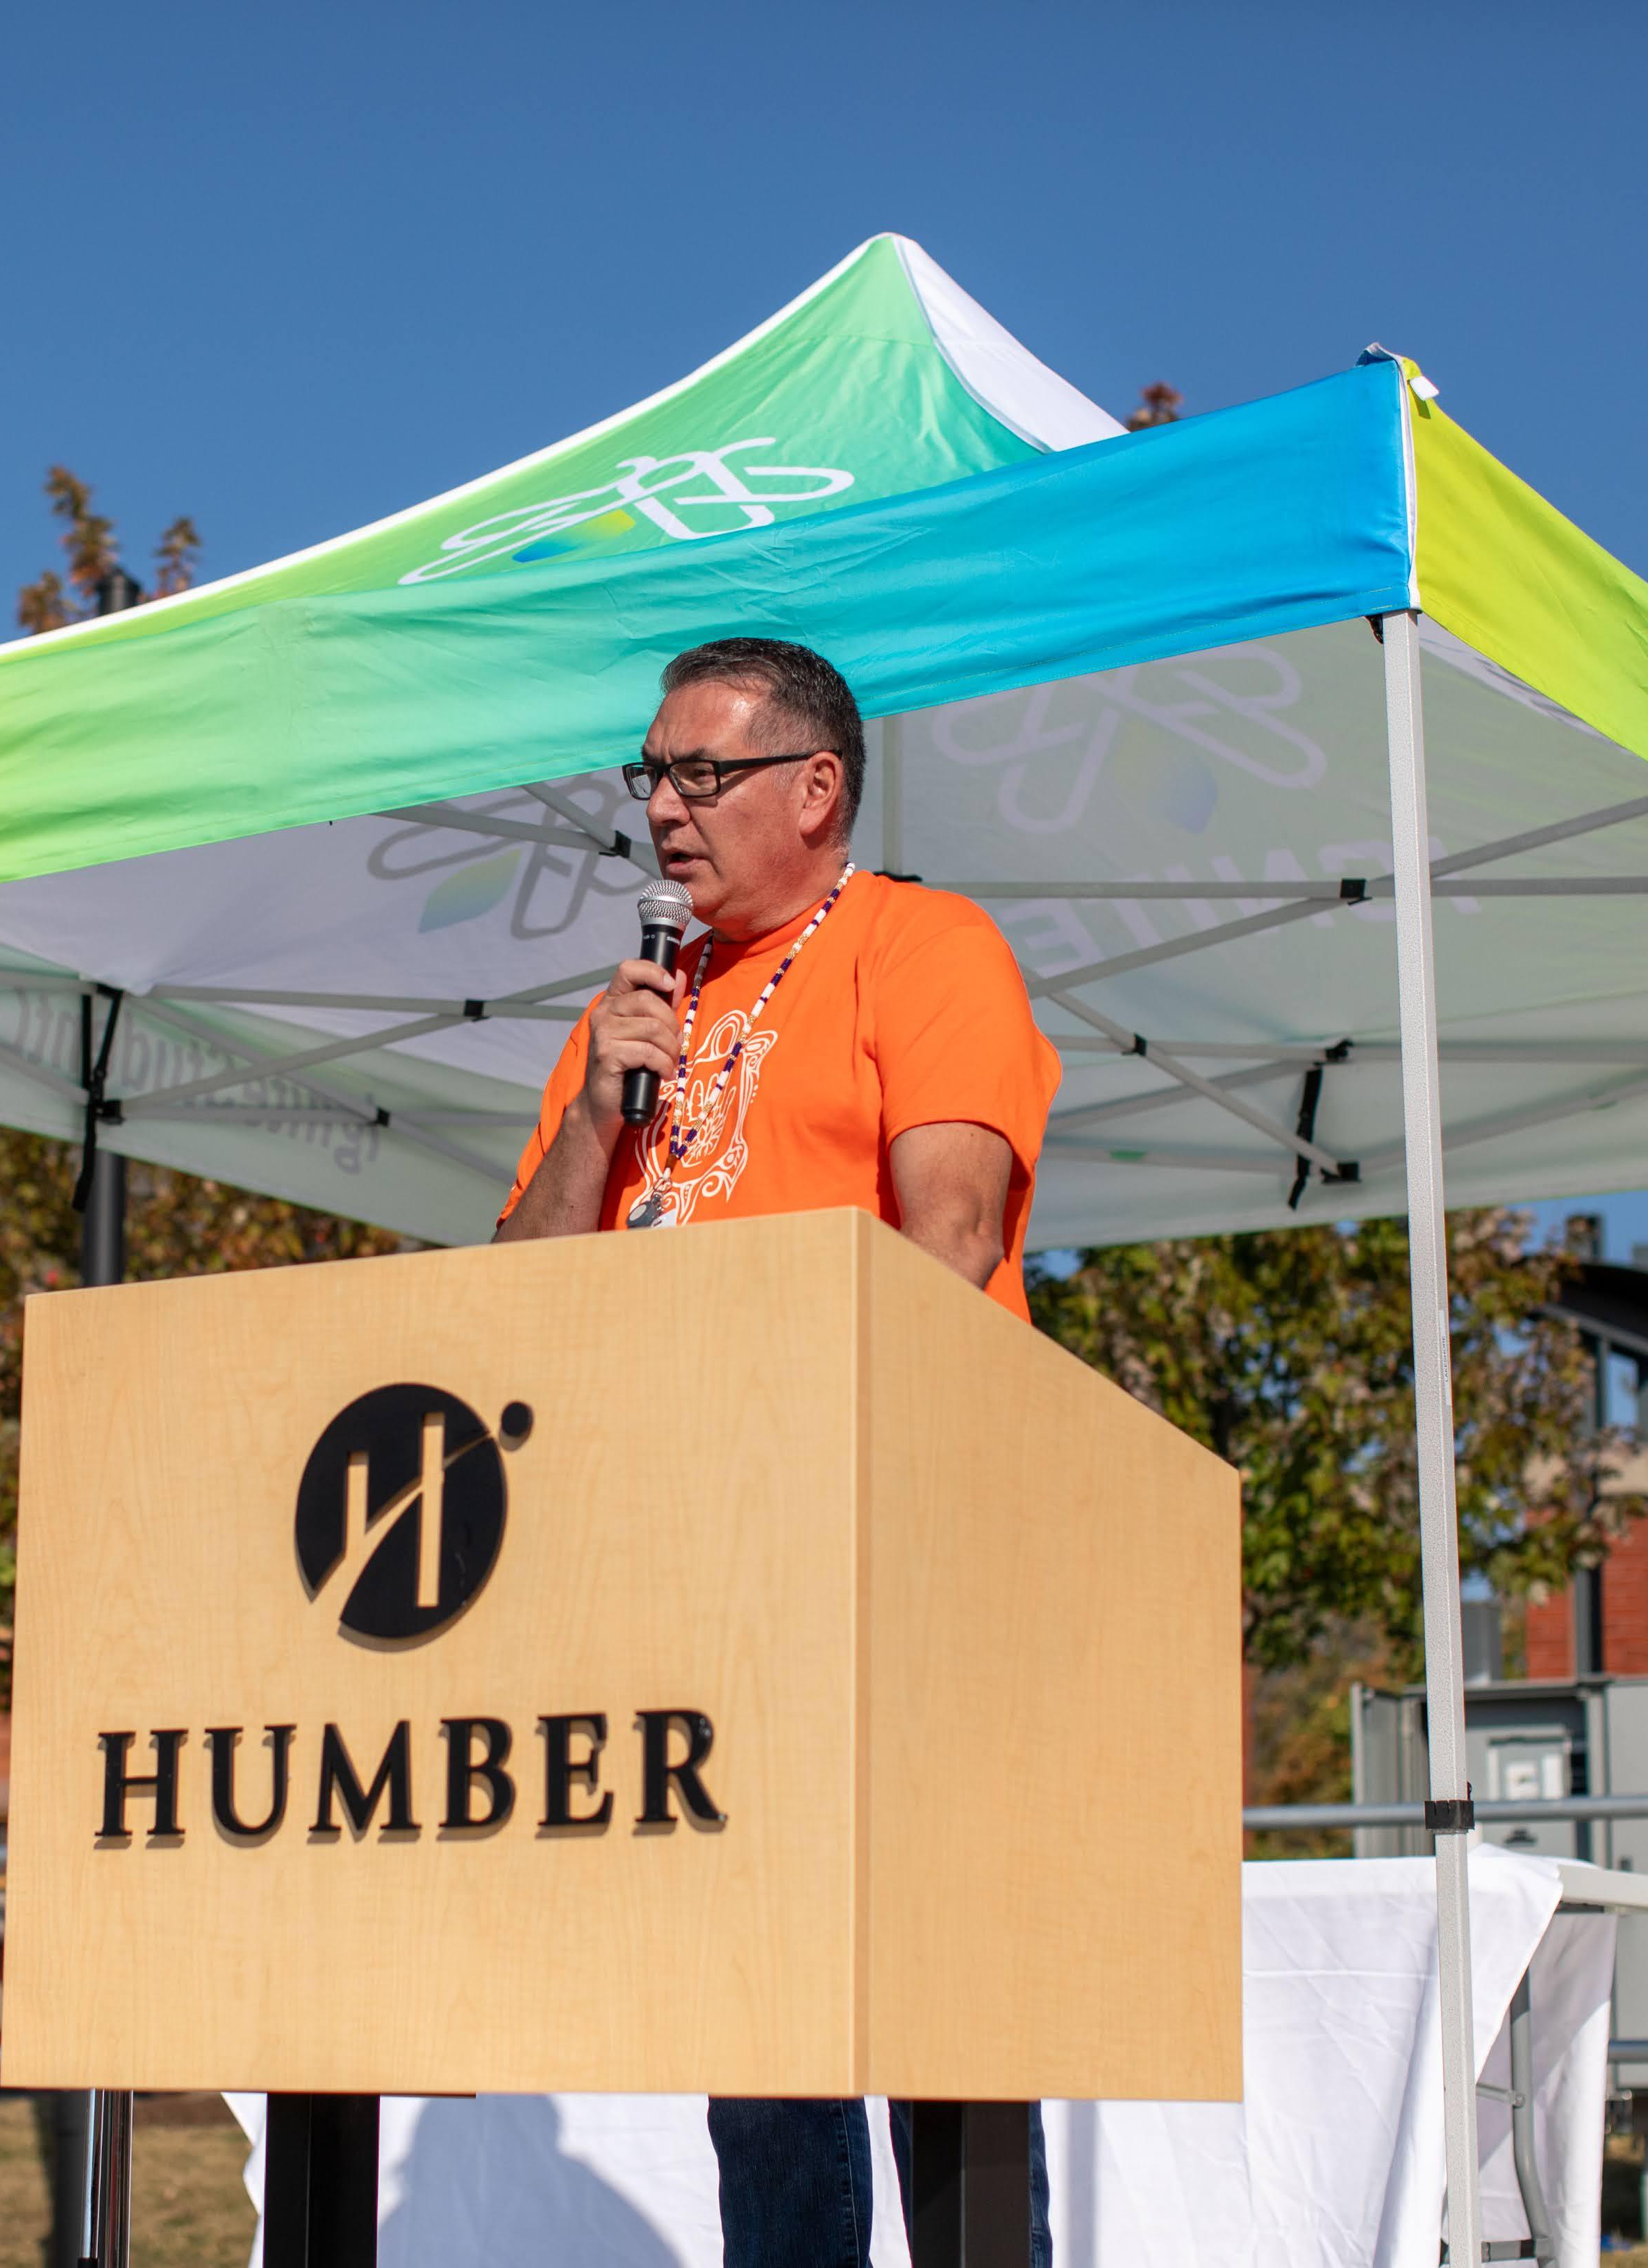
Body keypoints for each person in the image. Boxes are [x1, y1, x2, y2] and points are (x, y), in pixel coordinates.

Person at [498, 636, 1060, 2267]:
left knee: (938, 2027)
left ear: (813, 789)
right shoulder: (629, 1016)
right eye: (648, 777)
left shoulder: (921, 945)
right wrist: (602, 1111)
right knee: (763, 2048)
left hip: (894, 1550)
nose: (660, 812)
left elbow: (946, 1242)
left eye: (699, 773)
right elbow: (506, 1307)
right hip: (687, 1591)